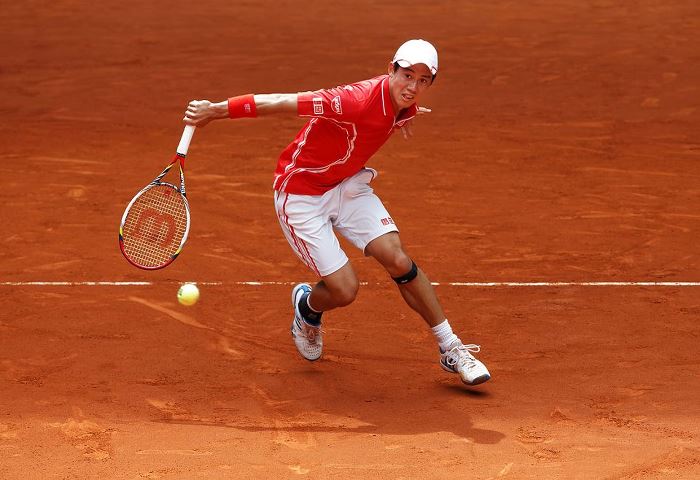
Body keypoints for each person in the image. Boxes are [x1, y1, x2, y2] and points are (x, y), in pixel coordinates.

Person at [183, 39, 491, 386]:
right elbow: (281, 101)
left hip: (346, 186)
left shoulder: (404, 102)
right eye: (407, 75)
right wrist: (216, 110)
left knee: (399, 260)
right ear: (390, 69)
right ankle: (307, 309)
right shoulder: (351, 99)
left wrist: (403, 116)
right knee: (344, 291)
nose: (413, 86)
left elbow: (387, 113)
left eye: (423, 80)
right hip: (301, 195)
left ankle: (451, 347)